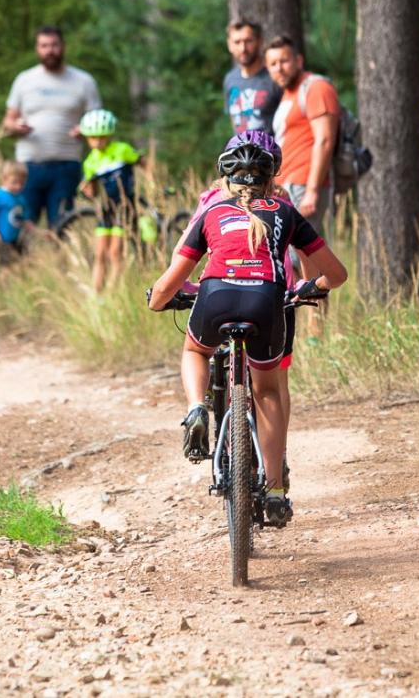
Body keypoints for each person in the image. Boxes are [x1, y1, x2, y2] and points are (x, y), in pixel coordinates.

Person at [149, 138, 348, 526]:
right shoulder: (286, 212)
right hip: (267, 302)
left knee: (196, 351)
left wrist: (158, 300)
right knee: (268, 391)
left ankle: (196, 408)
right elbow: (336, 274)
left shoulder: (211, 212)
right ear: (271, 179)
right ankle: (274, 491)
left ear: (225, 179)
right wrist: (312, 287)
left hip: (215, 297)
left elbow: (172, 278)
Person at [1, 26, 102, 229]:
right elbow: (7, 122)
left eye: (54, 45)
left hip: (66, 165)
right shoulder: (24, 80)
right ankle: (20, 251)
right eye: (44, 46)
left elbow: (98, 121)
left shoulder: (84, 81)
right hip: (28, 166)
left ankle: (58, 250)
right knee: (21, 225)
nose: (50, 50)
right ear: (37, 49)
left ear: (63, 46)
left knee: (62, 226)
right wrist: (16, 127)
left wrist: (84, 130)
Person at [265, 35, 340, 233]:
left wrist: (312, 191)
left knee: (297, 250)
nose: (279, 68)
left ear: (298, 61)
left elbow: (325, 140)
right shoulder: (289, 93)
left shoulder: (316, 87)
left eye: (284, 61)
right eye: (273, 64)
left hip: (303, 185)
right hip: (286, 186)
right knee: (289, 251)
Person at [77, 109, 142, 292]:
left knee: (115, 252)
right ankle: (96, 293)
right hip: (104, 208)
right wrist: (86, 190)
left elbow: (142, 162)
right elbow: (93, 192)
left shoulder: (122, 150)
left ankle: (113, 292)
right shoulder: (90, 161)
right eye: (93, 138)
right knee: (99, 253)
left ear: (109, 135)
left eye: (102, 137)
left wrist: (153, 182)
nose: (98, 142)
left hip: (124, 207)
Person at [223, 19, 281, 135]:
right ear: (229, 45)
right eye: (237, 42)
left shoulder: (275, 77)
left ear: (260, 41)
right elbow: (235, 121)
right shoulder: (230, 80)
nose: (243, 48)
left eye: (248, 41)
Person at [0, 161, 36, 267]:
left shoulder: (20, 199)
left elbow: (25, 220)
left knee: (23, 261)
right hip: (1, 239)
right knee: (9, 264)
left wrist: (40, 233)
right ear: (4, 178)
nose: (18, 186)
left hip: (15, 239)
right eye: (14, 182)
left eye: (22, 183)